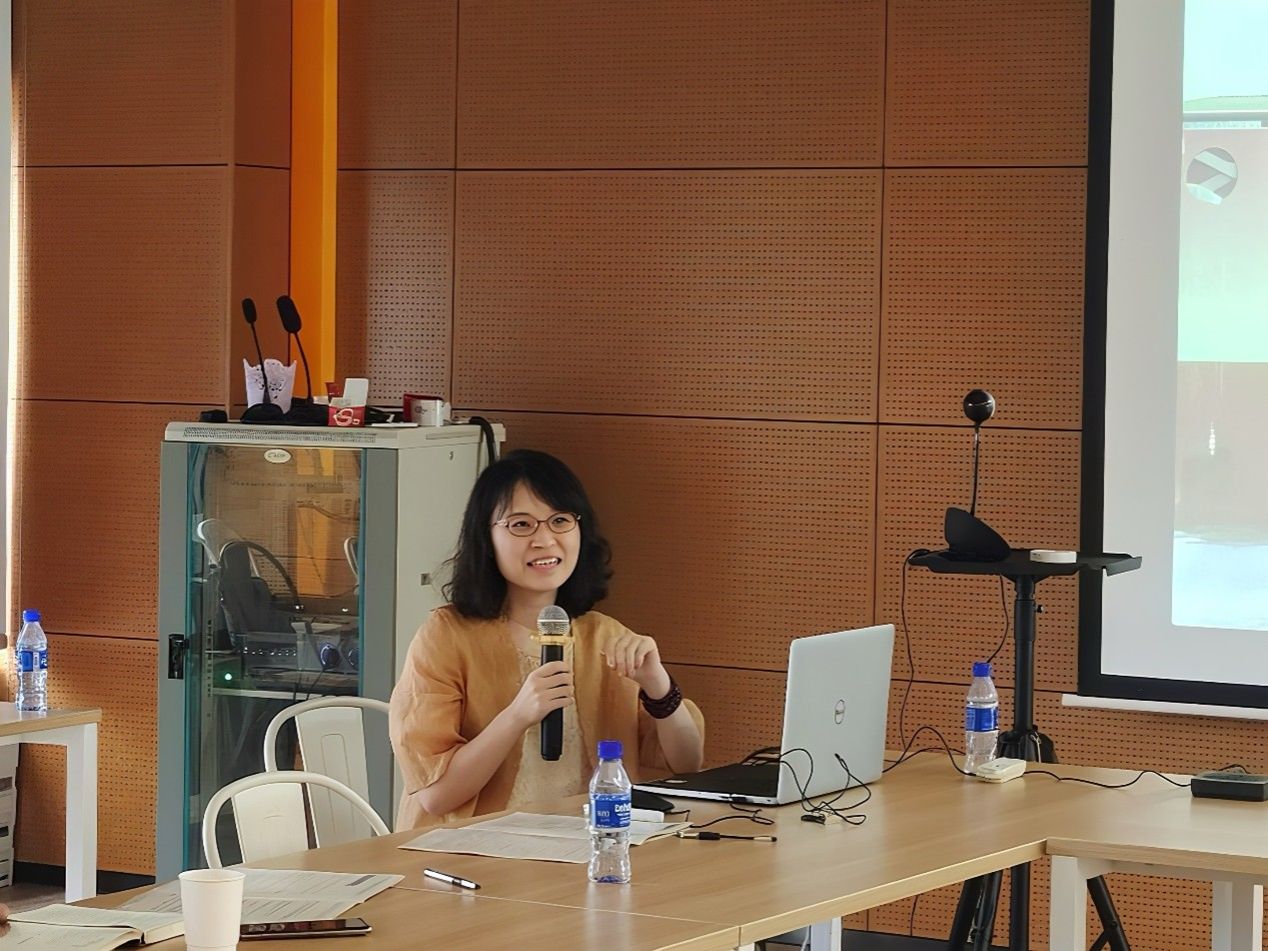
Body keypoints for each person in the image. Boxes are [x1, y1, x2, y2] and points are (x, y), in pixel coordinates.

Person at [389, 449, 705, 830]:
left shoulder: (606, 637)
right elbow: (436, 795)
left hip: (586, 844)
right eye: (521, 525)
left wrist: (659, 687)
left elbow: (687, 765)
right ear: (486, 537)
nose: (544, 539)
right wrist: (517, 715)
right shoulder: (445, 637)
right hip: (471, 849)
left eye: (560, 521)